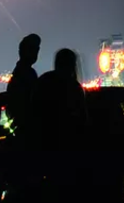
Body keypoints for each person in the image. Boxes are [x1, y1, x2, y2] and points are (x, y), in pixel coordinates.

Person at [31, 48, 88, 203]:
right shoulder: (73, 87)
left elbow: (34, 114)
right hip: (67, 150)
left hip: (45, 149)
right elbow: (81, 121)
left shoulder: (44, 81)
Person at [6, 33, 41, 136]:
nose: (35, 53)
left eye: (36, 49)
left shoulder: (22, 73)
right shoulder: (24, 74)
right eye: (32, 49)